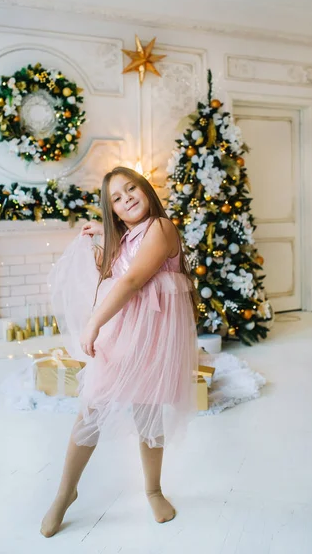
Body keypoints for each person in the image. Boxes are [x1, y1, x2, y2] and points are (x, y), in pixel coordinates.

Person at [41, 166, 199, 537]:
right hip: (124, 336)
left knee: (148, 412)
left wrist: (94, 322)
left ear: (146, 190)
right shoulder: (128, 237)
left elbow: (131, 279)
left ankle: (153, 488)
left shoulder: (162, 228)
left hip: (155, 339)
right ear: (111, 210)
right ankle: (66, 492)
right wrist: (102, 238)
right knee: (92, 406)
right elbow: (118, 268)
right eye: (117, 197)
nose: (127, 197)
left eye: (132, 189)